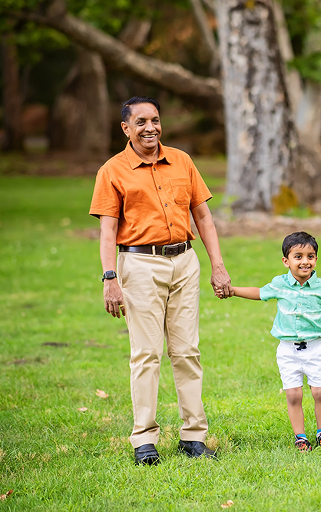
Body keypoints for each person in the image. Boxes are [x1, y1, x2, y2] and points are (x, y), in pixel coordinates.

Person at [89, 96, 232, 465]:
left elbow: (204, 217)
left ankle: (194, 437)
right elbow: (107, 232)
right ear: (126, 128)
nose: (150, 127)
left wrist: (217, 265)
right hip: (139, 265)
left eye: (155, 120)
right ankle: (144, 439)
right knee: (146, 354)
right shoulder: (112, 171)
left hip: (185, 261)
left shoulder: (182, 161)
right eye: (140, 122)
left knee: (187, 352)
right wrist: (110, 277)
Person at [218, 231, 321, 452]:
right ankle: (300, 437)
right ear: (286, 261)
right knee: (293, 394)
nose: (305, 261)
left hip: (315, 348)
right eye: (298, 256)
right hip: (288, 350)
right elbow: (259, 292)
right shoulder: (280, 284)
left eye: (310, 256)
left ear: (316, 260)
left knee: (320, 392)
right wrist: (233, 291)